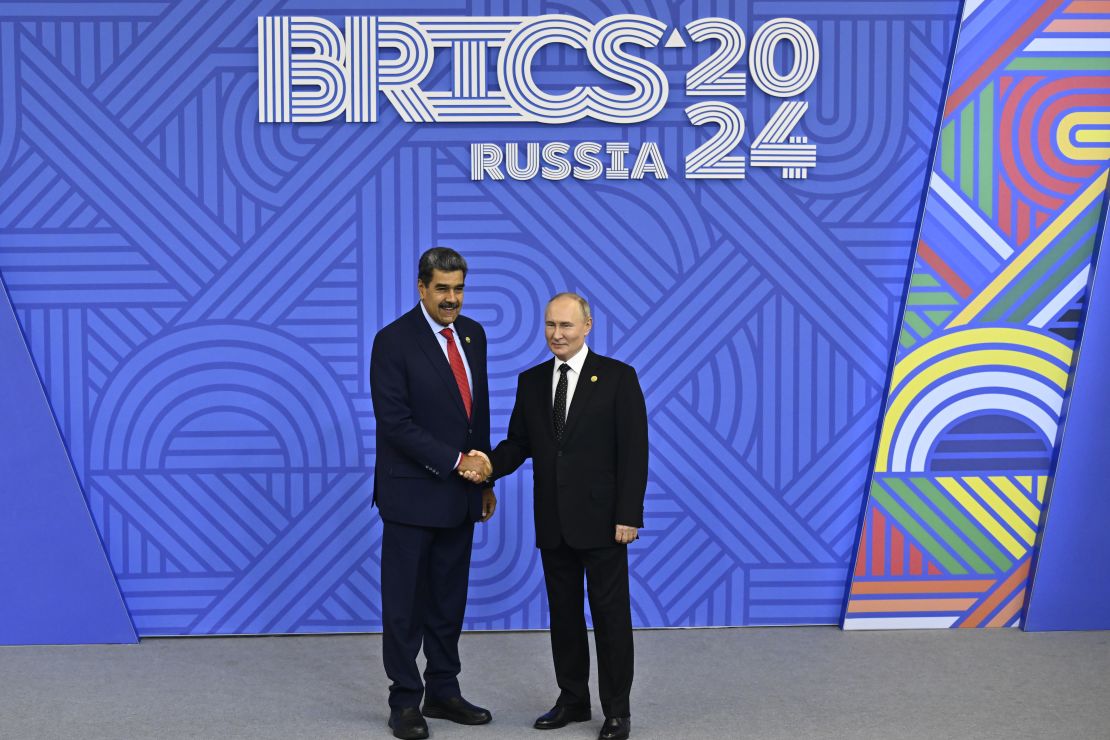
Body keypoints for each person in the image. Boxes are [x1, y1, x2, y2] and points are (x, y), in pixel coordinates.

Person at [462, 293, 647, 740]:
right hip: (553, 520)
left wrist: (628, 514)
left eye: (565, 326)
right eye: (549, 326)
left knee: (610, 618)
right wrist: (486, 465)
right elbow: (518, 444)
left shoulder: (619, 378)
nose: (557, 334)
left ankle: (617, 711)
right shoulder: (532, 381)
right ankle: (573, 699)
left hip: (605, 523)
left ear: (587, 326)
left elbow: (634, 451)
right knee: (564, 615)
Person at [370, 247, 497, 740]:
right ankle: (404, 701)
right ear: (421, 287)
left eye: (458, 289)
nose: (451, 299)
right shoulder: (393, 342)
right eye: (442, 289)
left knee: (449, 600)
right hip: (410, 496)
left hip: (461, 495)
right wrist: (457, 463)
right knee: (405, 605)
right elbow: (395, 424)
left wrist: (484, 480)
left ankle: (443, 691)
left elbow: (476, 414)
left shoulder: (473, 335)